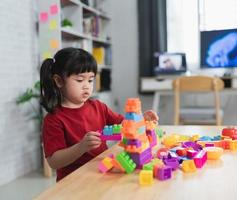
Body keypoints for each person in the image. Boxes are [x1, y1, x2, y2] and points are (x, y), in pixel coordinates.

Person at [40, 47, 158, 181]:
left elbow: (124, 124)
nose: (86, 86)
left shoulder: (98, 107)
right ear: (59, 81)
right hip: (74, 180)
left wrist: (141, 119)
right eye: (80, 80)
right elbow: (54, 161)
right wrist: (81, 147)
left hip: (101, 171)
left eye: (90, 80)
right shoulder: (54, 119)